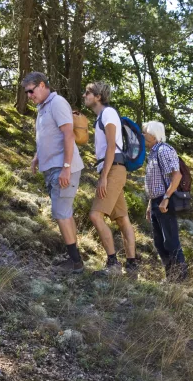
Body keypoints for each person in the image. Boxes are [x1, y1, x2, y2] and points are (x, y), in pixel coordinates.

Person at [22, 72, 84, 273]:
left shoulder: (57, 103)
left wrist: (66, 168)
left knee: (61, 213)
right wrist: (37, 156)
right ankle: (75, 258)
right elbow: (47, 136)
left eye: (31, 91)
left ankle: (75, 263)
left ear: (41, 85)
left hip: (62, 167)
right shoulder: (43, 108)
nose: (29, 96)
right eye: (27, 93)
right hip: (52, 167)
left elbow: (68, 135)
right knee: (64, 212)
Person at [83, 82, 138, 276]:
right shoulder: (102, 116)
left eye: (88, 93)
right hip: (113, 168)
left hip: (113, 169)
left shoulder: (108, 113)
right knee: (122, 219)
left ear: (98, 96)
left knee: (95, 215)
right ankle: (132, 266)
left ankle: (113, 264)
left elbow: (111, 146)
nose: (84, 95)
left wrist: (104, 177)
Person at [143, 121, 187, 281]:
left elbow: (177, 176)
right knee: (159, 243)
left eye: (145, 132)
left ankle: (180, 279)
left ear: (153, 135)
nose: (142, 135)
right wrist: (150, 204)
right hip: (155, 201)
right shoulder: (153, 152)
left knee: (171, 241)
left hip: (165, 201)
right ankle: (170, 277)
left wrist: (166, 198)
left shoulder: (164, 150)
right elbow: (154, 182)